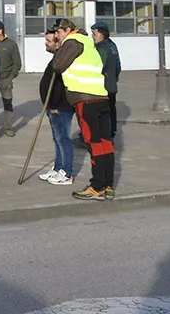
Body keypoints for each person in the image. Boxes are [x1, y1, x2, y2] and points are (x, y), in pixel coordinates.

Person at [52, 19, 115, 201]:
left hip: (85, 100)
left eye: (59, 33)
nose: (58, 37)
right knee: (104, 143)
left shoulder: (73, 42)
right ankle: (107, 184)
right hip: (100, 97)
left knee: (93, 143)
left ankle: (96, 186)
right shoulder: (88, 43)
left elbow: (58, 65)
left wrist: (58, 49)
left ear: (67, 30)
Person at [38, 25, 76, 186]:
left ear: (57, 41)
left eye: (48, 40)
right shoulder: (56, 57)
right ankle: (58, 168)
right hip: (52, 107)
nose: (46, 43)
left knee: (63, 139)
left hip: (61, 107)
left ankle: (66, 173)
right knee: (57, 139)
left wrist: (53, 104)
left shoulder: (62, 59)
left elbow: (61, 86)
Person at [92, 23, 122, 139]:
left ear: (101, 34)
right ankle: (111, 133)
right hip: (111, 84)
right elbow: (118, 67)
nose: (93, 36)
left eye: (94, 34)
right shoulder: (112, 46)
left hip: (102, 86)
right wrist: (113, 80)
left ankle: (105, 137)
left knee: (104, 113)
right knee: (111, 110)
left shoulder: (101, 48)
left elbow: (98, 67)